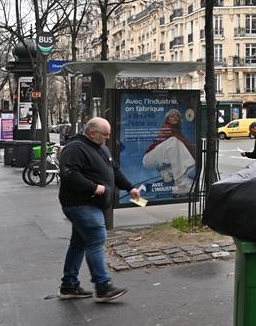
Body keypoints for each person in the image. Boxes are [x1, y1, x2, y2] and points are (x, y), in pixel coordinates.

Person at [57, 117, 140, 302]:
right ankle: (103, 286)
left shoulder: (100, 147)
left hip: (92, 203)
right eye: (105, 134)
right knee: (96, 239)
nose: (108, 138)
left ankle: (68, 286)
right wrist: (93, 187)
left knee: (78, 244)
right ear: (92, 132)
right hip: (80, 203)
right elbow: (69, 174)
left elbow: (114, 170)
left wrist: (130, 187)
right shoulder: (75, 148)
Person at [142, 108, 197, 194]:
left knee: (178, 148)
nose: (175, 118)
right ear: (167, 119)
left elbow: (185, 145)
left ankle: (167, 172)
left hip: (159, 160)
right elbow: (186, 144)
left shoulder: (176, 131)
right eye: (172, 116)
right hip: (148, 159)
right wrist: (195, 149)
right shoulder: (167, 129)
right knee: (174, 142)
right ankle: (181, 183)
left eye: (177, 116)